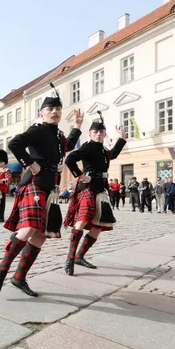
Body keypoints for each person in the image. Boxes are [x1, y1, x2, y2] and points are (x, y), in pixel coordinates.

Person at [0, 96, 83, 296]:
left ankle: (19, 277)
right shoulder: (38, 129)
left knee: (41, 235)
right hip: (34, 183)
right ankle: (2, 268)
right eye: (50, 108)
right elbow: (14, 144)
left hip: (50, 187)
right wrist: (29, 163)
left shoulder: (58, 134)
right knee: (30, 227)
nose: (54, 112)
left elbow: (68, 146)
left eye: (58, 108)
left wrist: (76, 126)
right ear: (41, 112)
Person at [63, 113, 127, 275]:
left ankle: (79, 256)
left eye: (101, 132)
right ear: (90, 134)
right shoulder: (88, 146)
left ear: (105, 134)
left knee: (98, 226)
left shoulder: (103, 149)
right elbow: (70, 159)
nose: (98, 134)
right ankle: (70, 259)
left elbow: (113, 155)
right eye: (95, 132)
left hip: (100, 190)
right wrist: (80, 175)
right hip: (88, 188)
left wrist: (122, 138)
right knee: (82, 221)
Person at [0, 149, 12, 222]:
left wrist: (2, 181)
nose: (0, 164)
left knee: (1, 204)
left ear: (5, 162)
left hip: (2, 189)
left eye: (1, 162)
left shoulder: (7, 170)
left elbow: (8, 179)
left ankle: (1, 217)